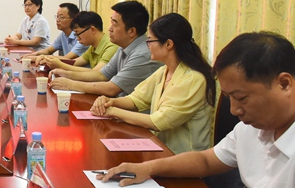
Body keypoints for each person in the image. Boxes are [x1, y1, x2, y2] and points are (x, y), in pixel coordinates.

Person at [100, 32, 295, 188]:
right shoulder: (253, 127)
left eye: (242, 98)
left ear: (284, 84)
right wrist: (148, 167)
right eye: (229, 98)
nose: (234, 110)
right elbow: (206, 160)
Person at [90, 13, 217, 154]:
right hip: (160, 149)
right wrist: (109, 102)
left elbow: (158, 122)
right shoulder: (164, 71)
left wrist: (113, 111)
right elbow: (137, 99)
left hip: (185, 157)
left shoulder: (193, 79)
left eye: (150, 40)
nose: (148, 45)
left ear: (168, 44)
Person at [49, 0, 161, 96]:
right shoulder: (123, 48)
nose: (110, 29)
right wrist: (65, 73)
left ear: (131, 31)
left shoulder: (142, 54)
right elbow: (101, 75)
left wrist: (70, 84)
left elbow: (111, 88)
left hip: (133, 112)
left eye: (115, 24)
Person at [39, 11, 116, 72]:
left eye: (78, 34)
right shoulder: (93, 47)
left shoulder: (111, 46)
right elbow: (74, 62)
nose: (78, 39)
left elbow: (96, 73)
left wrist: (60, 65)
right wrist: (48, 58)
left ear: (92, 30)